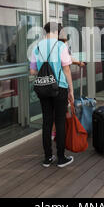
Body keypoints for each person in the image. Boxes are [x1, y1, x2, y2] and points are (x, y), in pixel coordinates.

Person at [30, 22, 75, 168]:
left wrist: (44, 73)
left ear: (45, 32)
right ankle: (61, 158)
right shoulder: (61, 46)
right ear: (58, 32)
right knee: (60, 121)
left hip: (43, 88)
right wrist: (71, 90)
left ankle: (47, 158)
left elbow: (32, 71)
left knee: (47, 121)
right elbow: (67, 69)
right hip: (60, 87)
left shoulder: (36, 47)